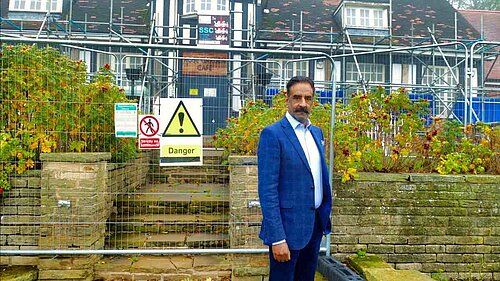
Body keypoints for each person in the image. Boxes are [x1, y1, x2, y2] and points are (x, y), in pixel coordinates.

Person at [257, 76, 332, 281]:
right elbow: (267, 190)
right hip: (287, 231)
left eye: (308, 98)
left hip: (314, 226)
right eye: (297, 97)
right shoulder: (272, 134)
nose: (303, 104)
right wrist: (277, 238)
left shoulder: (316, 133)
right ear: (287, 100)